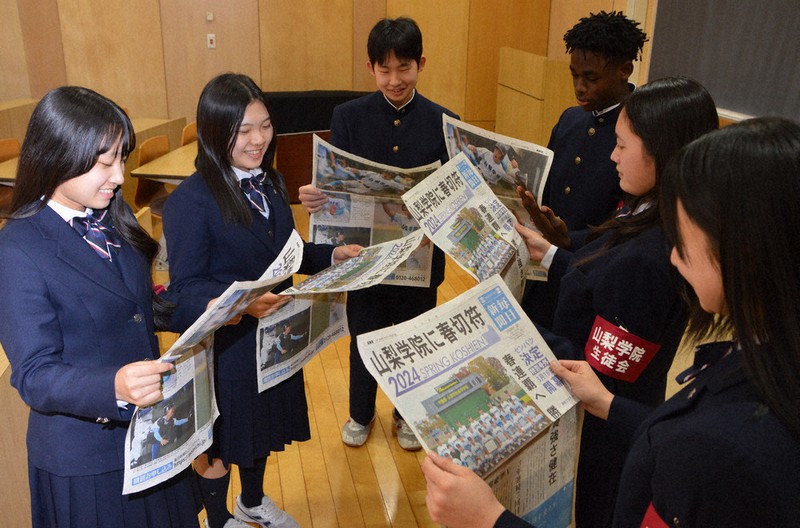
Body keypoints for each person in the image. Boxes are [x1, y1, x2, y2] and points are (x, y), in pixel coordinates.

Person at [423, 117, 800, 527]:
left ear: (743, 248)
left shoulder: (723, 448)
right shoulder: (770, 361)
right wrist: (607, 403)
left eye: (685, 241)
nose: (674, 257)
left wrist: (489, 519)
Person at [516, 77, 717, 527]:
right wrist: (550, 253)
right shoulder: (649, 205)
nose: (612, 155)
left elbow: (598, 374)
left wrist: (509, 328)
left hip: (603, 432)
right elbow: (602, 265)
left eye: (623, 145)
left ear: (663, 152)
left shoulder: (649, 259)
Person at [162, 73, 360, 528]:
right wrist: (239, 305)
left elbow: (285, 252)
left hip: (271, 337)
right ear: (216, 131)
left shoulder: (269, 178)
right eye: (244, 130)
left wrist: (331, 254)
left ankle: (251, 502)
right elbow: (181, 293)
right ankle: (217, 519)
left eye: (265, 126)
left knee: (256, 433)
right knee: (221, 442)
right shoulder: (191, 201)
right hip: (224, 348)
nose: (258, 139)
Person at [0, 86, 204, 527]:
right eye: (104, 162)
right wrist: (112, 385)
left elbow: (141, 307)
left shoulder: (109, 213)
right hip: (87, 457)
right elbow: (34, 374)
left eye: (122, 159)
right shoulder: (19, 246)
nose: (119, 176)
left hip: (150, 434)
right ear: (57, 155)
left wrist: (224, 306)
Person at [298, 17, 458, 451]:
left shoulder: (446, 122)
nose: (394, 80)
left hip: (421, 259)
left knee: (413, 340)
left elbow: (456, 195)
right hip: (364, 255)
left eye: (403, 68)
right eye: (384, 70)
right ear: (370, 68)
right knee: (364, 335)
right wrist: (317, 196)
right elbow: (337, 186)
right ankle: (361, 412)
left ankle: (407, 414)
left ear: (421, 64)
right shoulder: (348, 116)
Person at [520, 11, 648, 329]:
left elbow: (632, 223)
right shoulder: (570, 119)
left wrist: (570, 240)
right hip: (543, 272)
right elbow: (547, 190)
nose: (579, 87)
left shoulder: (641, 131)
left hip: (591, 275)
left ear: (624, 70)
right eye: (573, 75)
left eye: (590, 78)